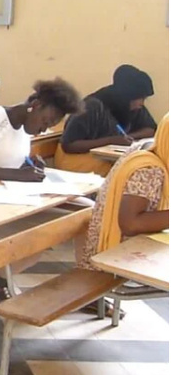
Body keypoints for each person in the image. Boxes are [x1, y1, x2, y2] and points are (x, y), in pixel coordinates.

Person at [0, 78, 83, 302]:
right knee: (40, 235)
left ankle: (85, 284)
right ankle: (2, 278)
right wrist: (16, 175)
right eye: (45, 121)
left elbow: (5, 163)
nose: (43, 129)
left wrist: (28, 167)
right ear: (37, 104)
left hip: (5, 202)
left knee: (85, 213)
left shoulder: (26, 129)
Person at [75, 114, 168, 317]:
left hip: (112, 240)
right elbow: (131, 224)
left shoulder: (150, 146)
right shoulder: (150, 169)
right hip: (111, 247)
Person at [56, 65, 157, 176]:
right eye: (140, 98)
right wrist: (111, 140)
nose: (142, 103)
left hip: (106, 159)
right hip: (77, 162)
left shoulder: (131, 106)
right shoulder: (92, 106)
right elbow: (69, 145)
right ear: (127, 95)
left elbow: (150, 129)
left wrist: (129, 137)